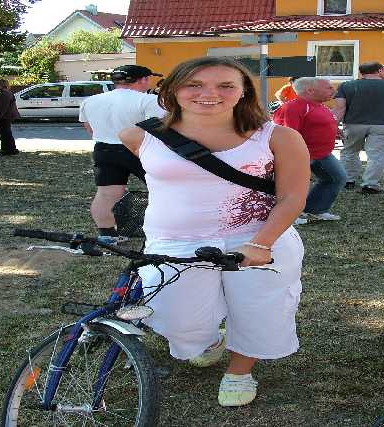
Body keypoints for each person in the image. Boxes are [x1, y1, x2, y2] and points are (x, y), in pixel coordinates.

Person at [119, 56, 309, 408]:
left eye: (225, 85)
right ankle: (208, 341)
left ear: (243, 91)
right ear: (172, 90)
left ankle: (240, 371)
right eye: (194, 84)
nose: (209, 93)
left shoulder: (278, 137)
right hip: (174, 242)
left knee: (258, 310)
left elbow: (292, 197)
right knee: (175, 317)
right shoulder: (138, 135)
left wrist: (261, 243)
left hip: (257, 239)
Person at [79, 64, 166, 241]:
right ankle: (164, 231)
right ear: (143, 80)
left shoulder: (90, 101)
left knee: (106, 194)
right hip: (140, 149)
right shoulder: (149, 100)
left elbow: (89, 129)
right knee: (163, 190)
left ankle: (107, 235)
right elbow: (160, 129)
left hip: (104, 149)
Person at [333, 61, 384, 193]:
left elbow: (339, 108)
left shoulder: (346, 86)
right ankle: (370, 185)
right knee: (376, 156)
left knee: (349, 152)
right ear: (380, 70)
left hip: (354, 124)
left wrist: (333, 126)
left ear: (362, 72)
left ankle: (348, 180)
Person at [273, 77, 345, 222]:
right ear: (310, 90)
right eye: (328, 88)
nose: (334, 90)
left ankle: (315, 209)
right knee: (293, 186)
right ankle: (288, 216)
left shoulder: (319, 105)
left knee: (336, 178)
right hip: (298, 155)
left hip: (321, 154)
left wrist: (334, 130)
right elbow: (286, 134)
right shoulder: (293, 107)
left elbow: (321, 122)